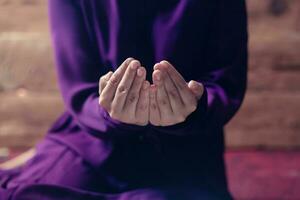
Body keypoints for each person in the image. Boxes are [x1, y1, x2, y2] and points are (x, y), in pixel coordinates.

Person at [0, 0, 248, 199]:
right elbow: (79, 90)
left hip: (186, 154)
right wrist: (108, 113)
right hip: (93, 144)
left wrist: (193, 109)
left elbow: (226, 84)